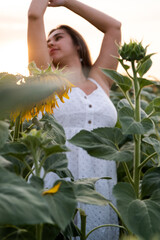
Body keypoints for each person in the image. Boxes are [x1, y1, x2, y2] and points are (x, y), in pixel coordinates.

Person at [28, 0, 121, 239]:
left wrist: (66, 2)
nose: (50, 43)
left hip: (101, 186)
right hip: (57, 183)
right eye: (47, 41)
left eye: (58, 38)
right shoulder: (46, 80)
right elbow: (34, 16)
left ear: (78, 45)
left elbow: (114, 27)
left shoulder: (102, 80)